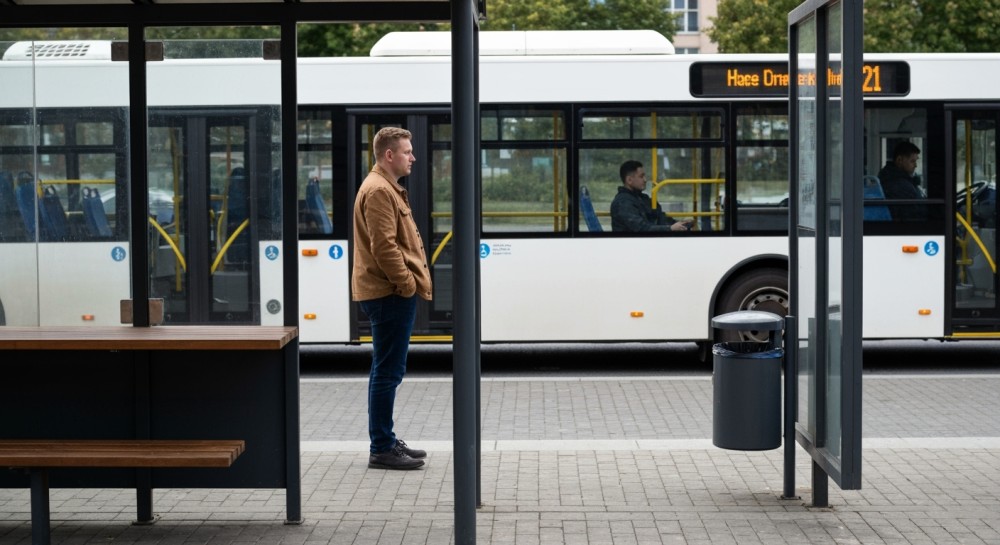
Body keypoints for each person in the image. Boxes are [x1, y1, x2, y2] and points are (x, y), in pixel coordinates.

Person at [352, 126, 432, 470]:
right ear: (389, 155)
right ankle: (382, 447)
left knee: (386, 371)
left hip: (388, 292)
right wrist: (406, 284)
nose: (412, 157)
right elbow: (384, 246)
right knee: (387, 373)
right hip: (388, 293)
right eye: (407, 151)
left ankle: (385, 440)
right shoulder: (380, 191)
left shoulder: (383, 187)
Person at [610, 160, 692, 232]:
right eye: (641, 176)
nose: (645, 180)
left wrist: (681, 224)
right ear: (629, 180)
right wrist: (670, 228)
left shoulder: (644, 198)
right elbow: (641, 228)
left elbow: (661, 219)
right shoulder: (622, 203)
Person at [877, 141, 925, 220]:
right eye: (912, 161)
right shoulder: (900, 185)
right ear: (899, 160)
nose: (915, 165)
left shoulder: (890, 177)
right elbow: (916, 213)